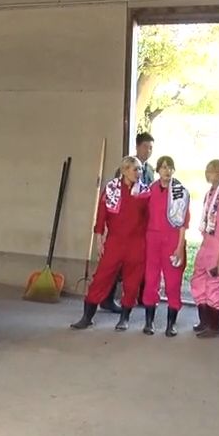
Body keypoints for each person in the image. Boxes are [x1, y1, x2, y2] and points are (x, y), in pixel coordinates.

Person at [71, 156, 150, 331]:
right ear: (124, 170)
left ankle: (124, 318)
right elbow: (101, 215)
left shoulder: (145, 192)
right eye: (135, 169)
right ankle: (87, 316)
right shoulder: (111, 189)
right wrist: (99, 238)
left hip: (136, 243)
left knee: (132, 282)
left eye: (140, 169)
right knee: (101, 277)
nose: (138, 173)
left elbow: (150, 219)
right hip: (115, 241)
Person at [100, 132, 157, 314]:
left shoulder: (149, 170)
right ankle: (106, 297)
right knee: (116, 267)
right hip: (122, 225)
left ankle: (138, 296)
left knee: (138, 263)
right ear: (138, 147)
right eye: (146, 146)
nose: (149, 150)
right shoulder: (126, 167)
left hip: (140, 224)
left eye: (151, 147)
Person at [141, 156, 190, 336]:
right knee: (151, 280)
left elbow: (184, 221)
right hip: (152, 238)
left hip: (172, 239)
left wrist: (179, 246)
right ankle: (149, 322)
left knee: (173, 281)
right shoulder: (150, 189)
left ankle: (171, 324)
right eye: (163, 167)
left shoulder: (180, 191)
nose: (166, 171)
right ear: (158, 170)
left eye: (170, 167)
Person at [190, 159, 219, 338]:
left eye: (216, 171)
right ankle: (204, 320)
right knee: (198, 282)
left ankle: (215, 326)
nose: (212, 174)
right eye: (209, 171)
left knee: (214, 286)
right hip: (207, 244)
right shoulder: (209, 193)